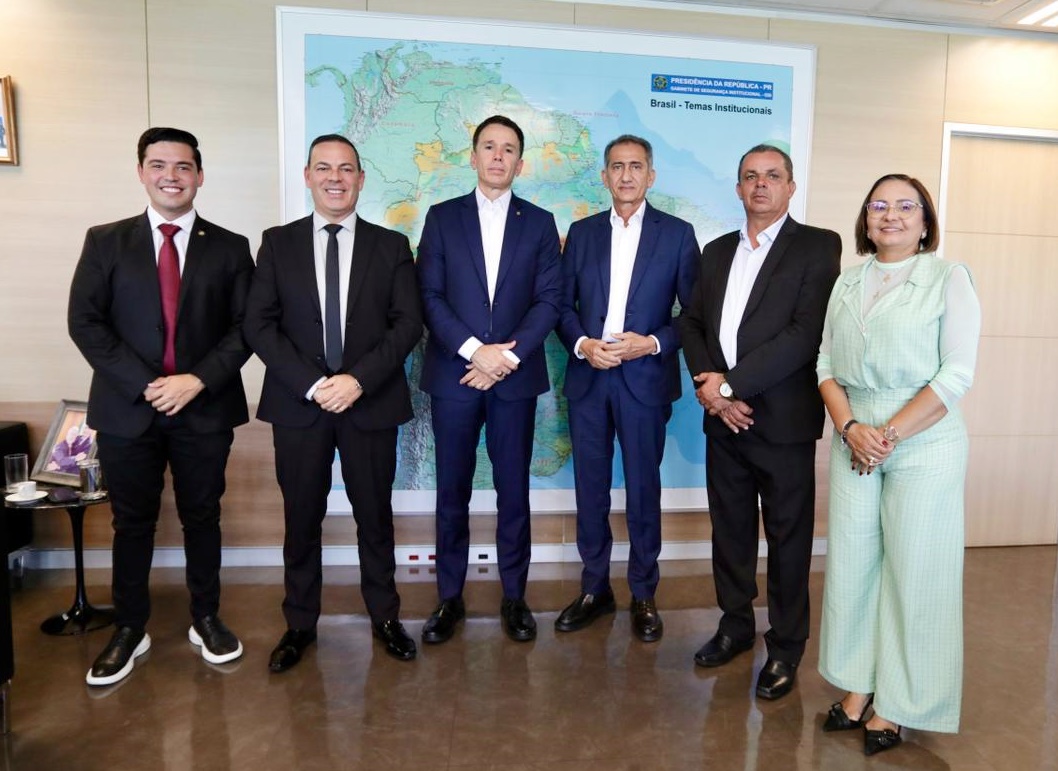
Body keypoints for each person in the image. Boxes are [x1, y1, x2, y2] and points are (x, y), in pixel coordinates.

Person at [68, 127, 253, 686]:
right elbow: (85, 323)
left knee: (203, 516)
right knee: (131, 522)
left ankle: (206, 618)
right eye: (158, 165)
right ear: (141, 172)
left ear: (200, 175)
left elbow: (247, 328)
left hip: (204, 406)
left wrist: (196, 380)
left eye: (183, 166)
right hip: (129, 409)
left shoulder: (231, 246)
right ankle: (129, 628)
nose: (171, 176)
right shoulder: (105, 241)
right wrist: (148, 384)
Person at [243, 134, 423, 672]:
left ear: (361, 179)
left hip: (370, 403)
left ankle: (385, 617)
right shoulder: (277, 243)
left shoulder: (391, 246)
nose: (335, 178)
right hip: (300, 406)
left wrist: (356, 381)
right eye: (324, 168)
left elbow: (407, 324)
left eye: (346, 169)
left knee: (375, 517)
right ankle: (299, 623)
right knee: (302, 519)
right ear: (308, 177)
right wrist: (314, 384)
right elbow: (259, 324)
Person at [817, 174, 980, 755]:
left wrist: (885, 436)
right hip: (854, 435)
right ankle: (859, 685)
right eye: (879, 206)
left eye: (905, 206)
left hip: (923, 441)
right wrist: (850, 429)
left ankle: (900, 703)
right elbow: (825, 363)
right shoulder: (847, 281)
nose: (891, 215)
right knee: (854, 567)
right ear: (865, 219)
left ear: (925, 220)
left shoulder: (949, 278)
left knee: (916, 573)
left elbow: (956, 374)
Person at [680, 144, 841, 700]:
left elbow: (803, 334)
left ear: (791, 187)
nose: (761, 185)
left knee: (788, 539)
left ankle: (787, 646)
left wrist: (729, 387)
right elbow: (692, 323)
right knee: (730, 530)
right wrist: (711, 388)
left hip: (783, 422)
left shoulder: (818, 246)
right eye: (750, 176)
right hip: (722, 421)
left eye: (773, 176)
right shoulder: (717, 250)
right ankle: (735, 626)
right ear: (738, 188)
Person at [417, 115, 561, 644]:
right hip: (455, 375)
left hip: (514, 380)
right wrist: (476, 352)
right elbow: (429, 295)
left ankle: (514, 597)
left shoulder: (540, 223)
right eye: (489, 147)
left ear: (520, 164)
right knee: (451, 491)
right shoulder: (441, 218)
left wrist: (504, 358)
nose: (498, 156)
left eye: (508, 149)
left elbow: (550, 300)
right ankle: (449, 598)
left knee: (513, 490)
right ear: (473, 156)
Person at [554, 135, 698, 641]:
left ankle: (643, 592)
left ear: (651, 176)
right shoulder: (582, 233)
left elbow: (693, 316)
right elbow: (562, 307)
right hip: (590, 379)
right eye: (617, 166)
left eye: (636, 166)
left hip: (645, 381)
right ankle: (594, 589)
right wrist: (582, 345)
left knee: (642, 490)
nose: (626, 175)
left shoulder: (677, 235)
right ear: (604, 176)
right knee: (589, 490)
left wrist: (652, 343)